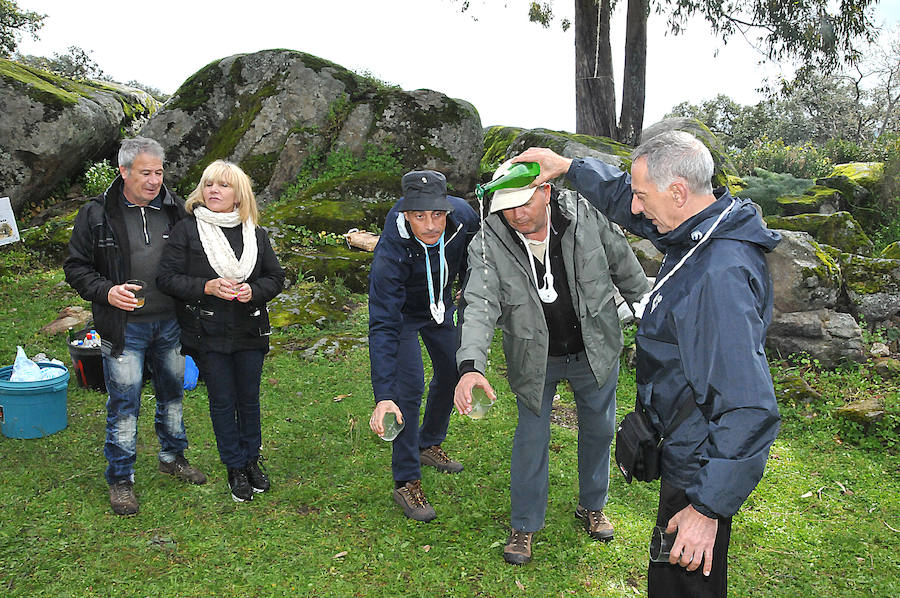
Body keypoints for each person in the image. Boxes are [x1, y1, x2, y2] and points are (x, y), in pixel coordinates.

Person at [516, 130, 781, 597]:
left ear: (677, 192)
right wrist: (569, 169)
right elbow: (626, 200)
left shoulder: (718, 276)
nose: (636, 209)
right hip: (688, 448)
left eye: (643, 196)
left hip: (700, 466)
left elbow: (749, 407)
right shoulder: (702, 229)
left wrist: (706, 509)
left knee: (681, 585)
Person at [453, 160, 650, 565]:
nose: (516, 214)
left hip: (595, 349)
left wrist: (654, 323)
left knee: (599, 430)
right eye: (506, 206)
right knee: (531, 440)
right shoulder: (488, 243)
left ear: (545, 191)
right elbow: (479, 305)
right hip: (533, 357)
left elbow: (627, 269)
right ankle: (524, 525)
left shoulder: (586, 215)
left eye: (524, 201)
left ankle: (592, 505)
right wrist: (471, 365)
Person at [65, 137, 207, 516]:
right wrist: (107, 292)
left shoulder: (176, 209)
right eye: (145, 173)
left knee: (173, 397)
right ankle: (121, 480)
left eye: (159, 172)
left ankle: (172, 457)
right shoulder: (97, 214)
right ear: (124, 171)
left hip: (171, 324)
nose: (154, 180)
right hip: (123, 328)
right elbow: (76, 267)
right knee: (124, 406)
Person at [157, 160, 285, 503]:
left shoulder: (255, 233)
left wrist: (253, 291)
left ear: (239, 194)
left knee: (249, 400)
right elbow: (166, 279)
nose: (214, 190)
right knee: (223, 401)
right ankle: (234, 467)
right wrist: (207, 287)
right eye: (209, 184)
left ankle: (252, 462)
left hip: (249, 330)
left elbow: (275, 277)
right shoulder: (187, 230)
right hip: (206, 332)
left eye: (224, 185)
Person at [367, 170, 479, 522]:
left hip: (440, 306)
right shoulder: (390, 251)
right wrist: (384, 394)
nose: (431, 225)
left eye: (437, 214)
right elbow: (382, 325)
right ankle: (406, 480)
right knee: (408, 388)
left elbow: (475, 262)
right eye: (420, 215)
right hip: (401, 314)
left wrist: (465, 291)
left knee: (452, 371)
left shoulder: (463, 219)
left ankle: (429, 442)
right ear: (406, 214)